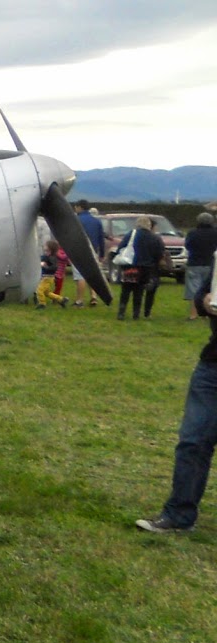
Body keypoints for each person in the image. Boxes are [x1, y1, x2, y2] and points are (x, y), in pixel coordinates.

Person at [136, 275, 217, 532]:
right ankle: (179, 517)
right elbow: (203, 293)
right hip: (212, 367)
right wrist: (204, 301)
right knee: (193, 442)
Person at [114, 216, 163, 320]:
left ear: (138, 224)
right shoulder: (155, 238)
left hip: (130, 266)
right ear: (149, 225)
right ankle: (136, 314)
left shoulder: (131, 234)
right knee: (139, 291)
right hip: (145, 268)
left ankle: (121, 312)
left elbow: (121, 247)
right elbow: (159, 254)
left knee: (126, 290)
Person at [185, 213, 217, 320]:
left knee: (194, 289)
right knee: (209, 289)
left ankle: (193, 314)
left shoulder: (192, 233)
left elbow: (187, 246)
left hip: (194, 263)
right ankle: (208, 312)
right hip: (211, 264)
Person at [73, 201, 106, 306]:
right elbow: (101, 239)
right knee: (92, 275)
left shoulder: (76, 220)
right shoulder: (97, 221)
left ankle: (79, 300)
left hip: (79, 250)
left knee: (80, 276)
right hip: (94, 251)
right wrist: (102, 254)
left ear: (79, 207)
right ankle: (93, 297)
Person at [35, 240, 70, 309]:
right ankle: (61, 300)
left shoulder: (52, 258)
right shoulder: (47, 256)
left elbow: (54, 267)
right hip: (46, 277)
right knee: (47, 292)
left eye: (46, 246)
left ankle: (42, 303)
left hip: (48, 278)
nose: (44, 247)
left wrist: (46, 266)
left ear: (50, 248)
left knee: (39, 290)